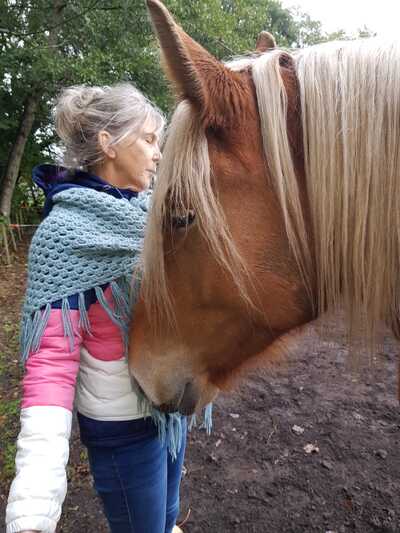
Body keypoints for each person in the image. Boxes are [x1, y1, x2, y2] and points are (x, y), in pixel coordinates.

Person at [5, 83, 187, 533]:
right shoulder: (63, 237)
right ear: (108, 142)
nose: (158, 154)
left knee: (166, 515)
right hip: (122, 428)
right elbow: (50, 366)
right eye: (148, 139)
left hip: (171, 411)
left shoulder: (157, 218)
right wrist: (33, 507)